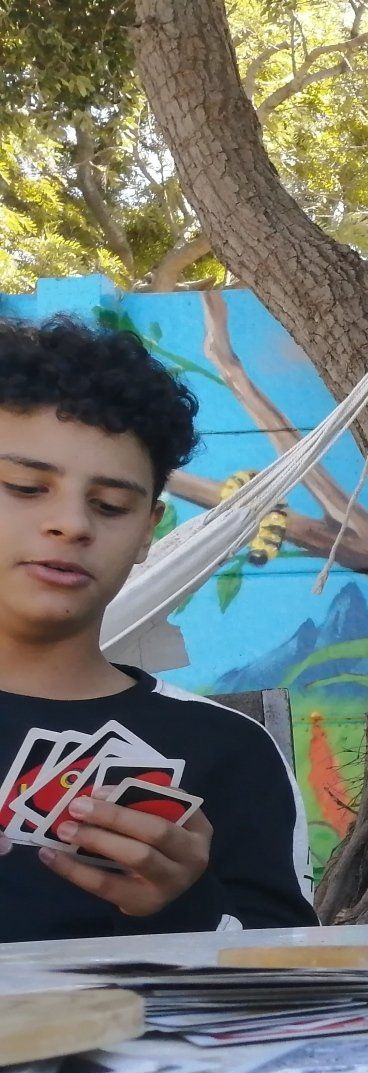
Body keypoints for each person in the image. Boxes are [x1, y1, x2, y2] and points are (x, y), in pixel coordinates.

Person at [0, 317, 319, 941]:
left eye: (111, 505)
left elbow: (281, 976)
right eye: (26, 488)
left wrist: (185, 908)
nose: (71, 524)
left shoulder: (230, 749)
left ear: (148, 530)